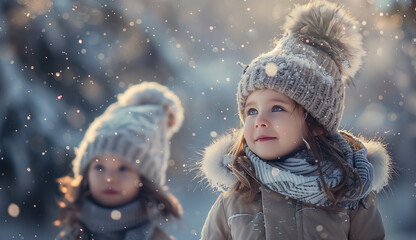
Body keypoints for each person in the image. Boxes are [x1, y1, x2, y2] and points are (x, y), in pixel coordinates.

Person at [199, 1, 392, 239]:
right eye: (251, 111)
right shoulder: (235, 199)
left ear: (316, 123)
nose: (260, 120)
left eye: (277, 108)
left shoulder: (350, 193)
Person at [55, 82, 184, 240]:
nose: (109, 178)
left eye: (123, 169)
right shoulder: (70, 236)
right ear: (85, 173)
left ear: (144, 179)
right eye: (99, 167)